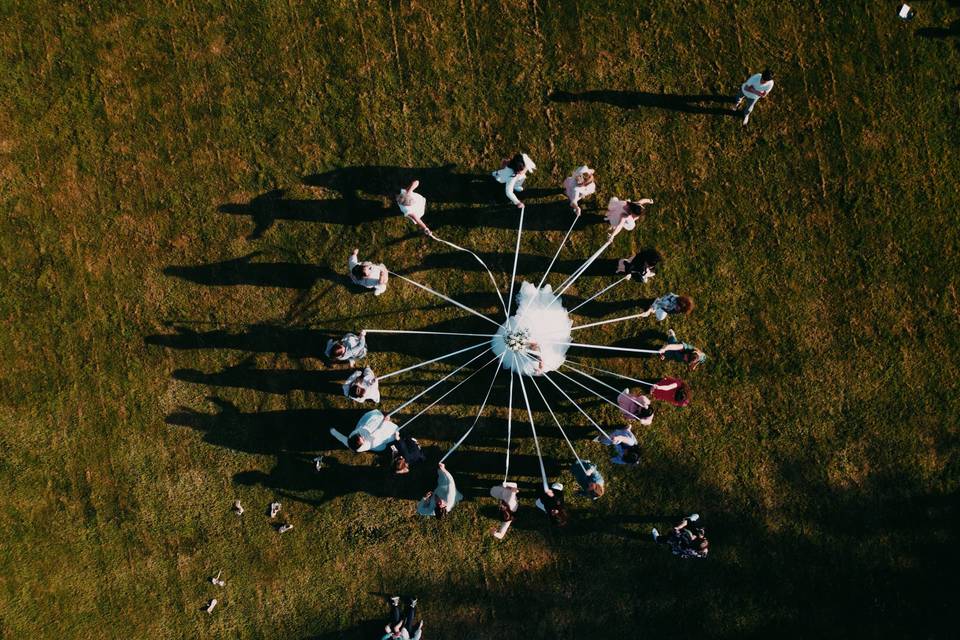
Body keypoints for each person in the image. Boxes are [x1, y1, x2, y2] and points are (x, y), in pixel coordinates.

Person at [329, 410, 399, 453]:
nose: (362, 436)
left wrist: (333, 431)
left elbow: (342, 438)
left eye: (359, 436)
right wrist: (385, 421)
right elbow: (378, 431)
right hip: (374, 439)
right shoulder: (368, 443)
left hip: (365, 431)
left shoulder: (349, 441)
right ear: (362, 444)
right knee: (383, 447)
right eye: (362, 439)